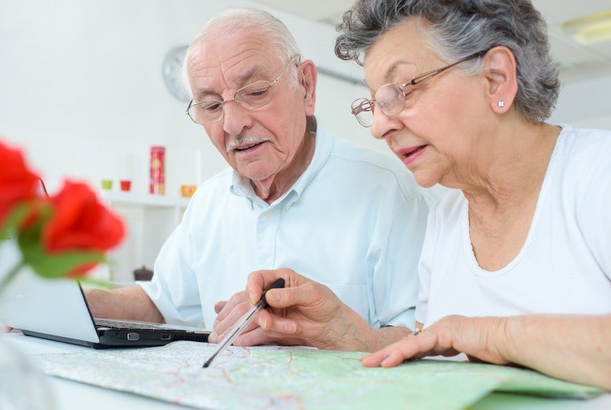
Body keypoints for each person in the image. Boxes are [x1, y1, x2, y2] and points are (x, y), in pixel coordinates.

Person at [245, 0, 611, 390]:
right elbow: (434, 351)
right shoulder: (448, 213)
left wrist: (487, 335)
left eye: (402, 89)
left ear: (496, 79)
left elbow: (460, 335)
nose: (380, 126)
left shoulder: (596, 174)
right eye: (374, 103)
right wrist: (338, 328)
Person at [85, 7, 432, 352]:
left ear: (306, 87)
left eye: (254, 92)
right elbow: (159, 302)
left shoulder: (387, 190)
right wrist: (75, 300)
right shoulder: (209, 201)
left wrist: (331, 330)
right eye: (211, 106)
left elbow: (423, 337)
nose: (233, 124)